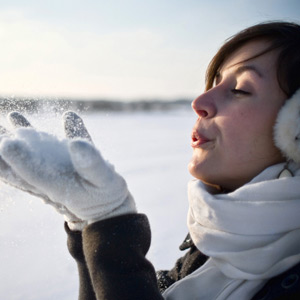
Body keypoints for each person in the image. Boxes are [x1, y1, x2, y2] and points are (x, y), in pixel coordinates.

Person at [0, 20, 300, 300]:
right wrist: (87, 229)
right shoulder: (213, 247)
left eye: (240, 89)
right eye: (214, 84)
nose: (200, 102)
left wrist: (110, 224)